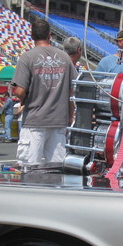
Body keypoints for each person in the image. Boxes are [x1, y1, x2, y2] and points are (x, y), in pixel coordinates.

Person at [12, 19, 76, 165]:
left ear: (32, 35)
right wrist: (71, 115)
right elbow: (72, 90)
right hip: (58, 119)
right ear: (50, 35)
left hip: (35, 119)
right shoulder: (65, 57)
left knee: (28, 167)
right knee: (56, 169)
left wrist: (23, 101)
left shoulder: (27, 57)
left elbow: (19, 91)